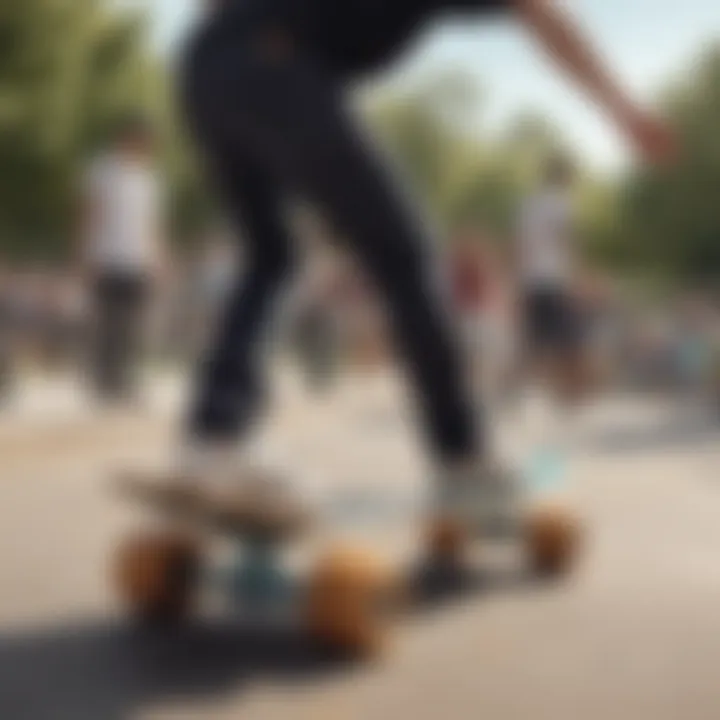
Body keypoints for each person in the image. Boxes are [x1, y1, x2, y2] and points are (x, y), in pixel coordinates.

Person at [167, 0, 675, 527]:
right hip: (279, 69)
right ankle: (464, 461)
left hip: (208, 68)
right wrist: (622, 110)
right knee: (406, 259)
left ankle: (211, 442)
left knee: (270, 257)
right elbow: (546, 17)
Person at [79, 116, 166, 403]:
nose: (143, 145)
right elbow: (91, 213)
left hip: (137, 259)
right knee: (108, 320)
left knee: (133, 322)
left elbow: (152, 223)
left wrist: (158, 258)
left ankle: (126, 381)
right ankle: (104, 382)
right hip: (107, 255)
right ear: (124, 138)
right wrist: (86, 253)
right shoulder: (102, 170)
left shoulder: (149, 179)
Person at [514, 155, 588, 406]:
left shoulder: (529, 204)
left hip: (532, 280)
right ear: (564, 177)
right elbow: (566, 239)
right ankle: (568, 394)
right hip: (556, 279)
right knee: (569, 338)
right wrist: (577, 276)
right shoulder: (561, 203)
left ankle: (516, 390)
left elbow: (521, 244)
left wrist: (519, 279)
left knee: (534, 339)